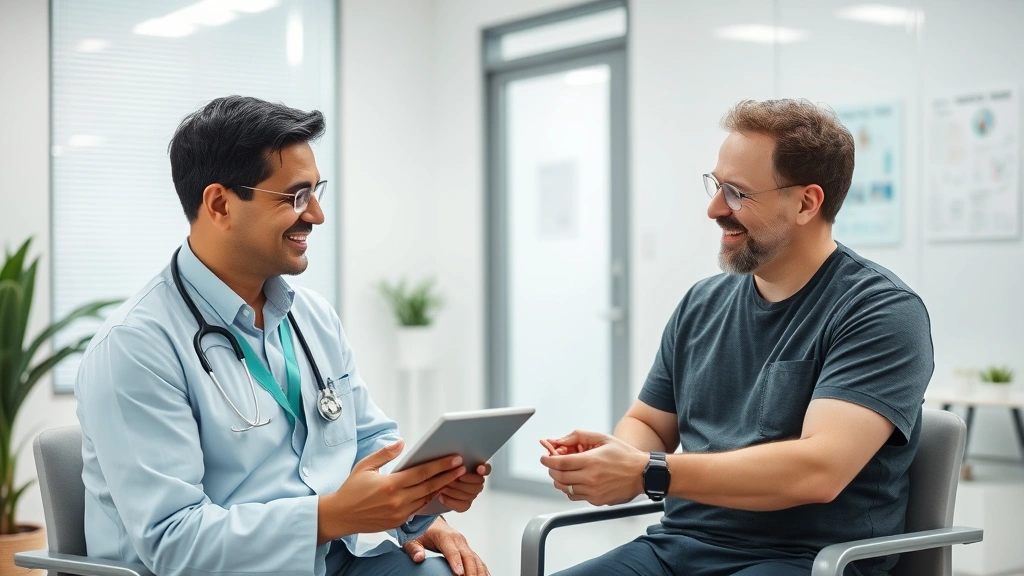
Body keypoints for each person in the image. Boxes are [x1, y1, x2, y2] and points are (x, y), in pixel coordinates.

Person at [76, 96, 490, 576]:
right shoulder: (136, 348)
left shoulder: (311, 317)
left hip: (331, 560)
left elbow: (369, 444)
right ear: (220, 204)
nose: (315, 215)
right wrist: (332, 516)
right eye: (295, 196)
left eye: (317, 192)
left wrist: (421, 502)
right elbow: (174, 543)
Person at [539, 99, 933, 576]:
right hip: (676, 548)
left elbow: (818, 470)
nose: (713, 209)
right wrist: (621, 460)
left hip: (805, 561)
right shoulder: (702, 303)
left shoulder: (881, 311)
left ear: (807, 203)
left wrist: (649, 471)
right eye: (715, 185)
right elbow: (648, 420)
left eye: (737, 193)